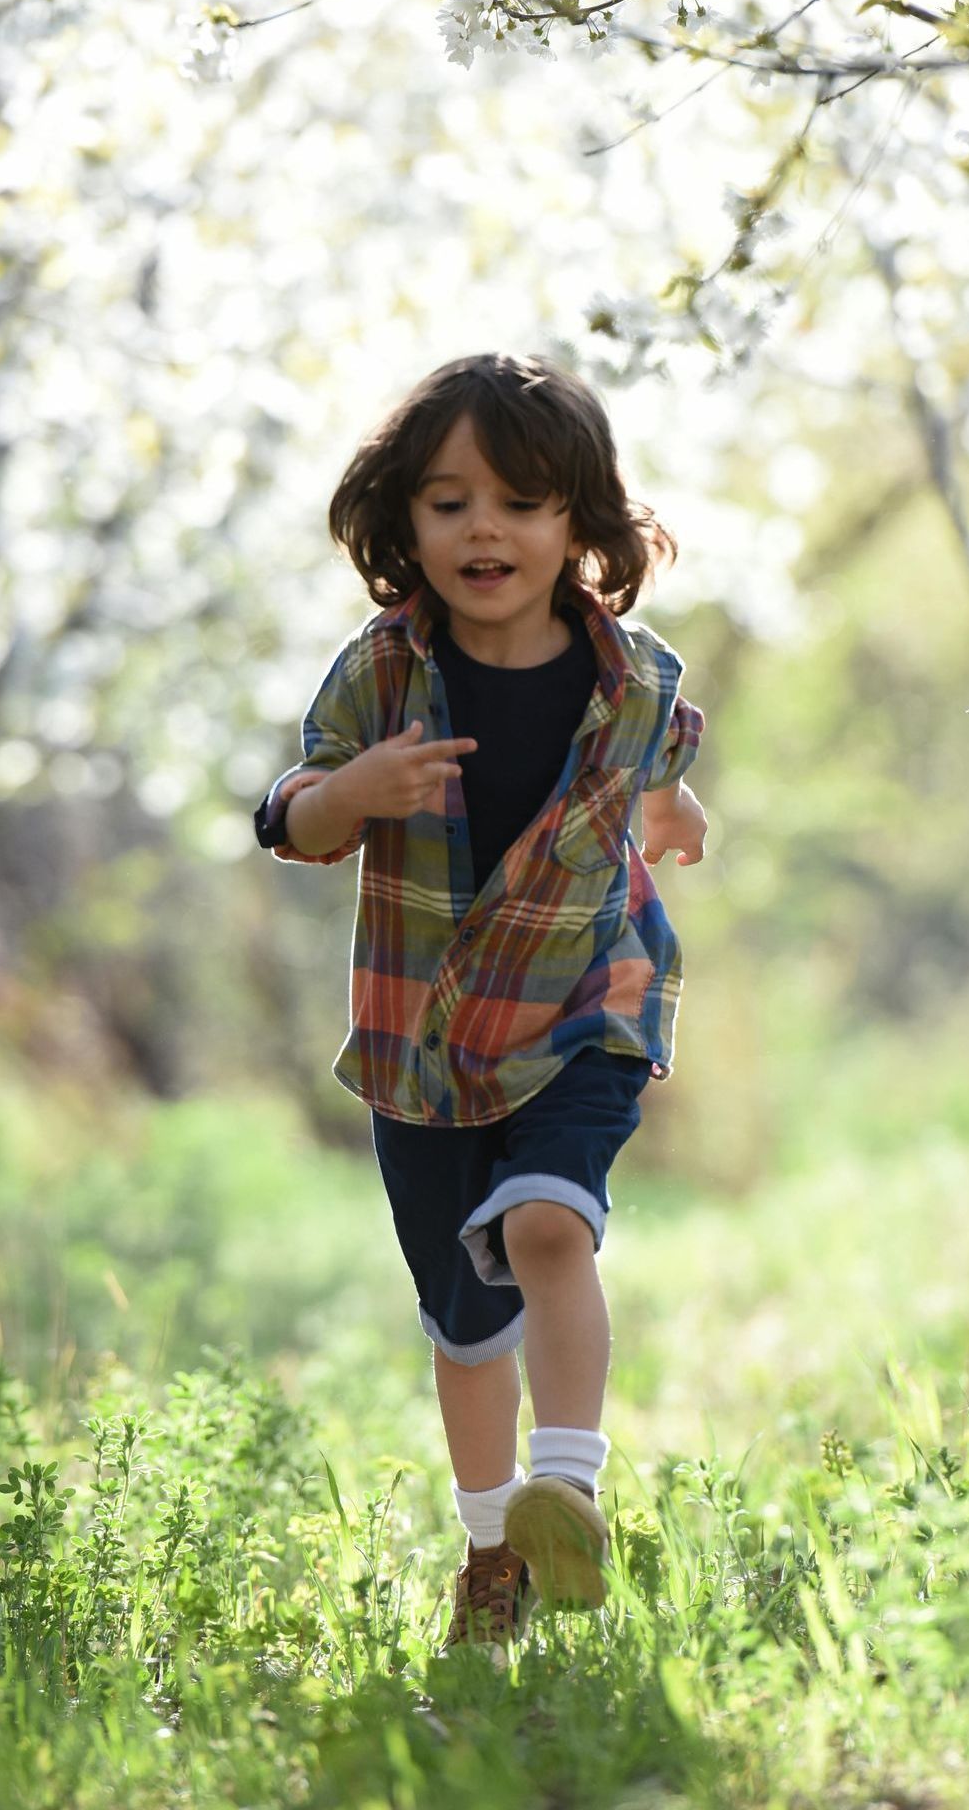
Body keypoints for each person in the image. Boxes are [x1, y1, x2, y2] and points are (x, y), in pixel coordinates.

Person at [252, 352, 707, 1664]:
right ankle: (492, 1544)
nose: (483, 530)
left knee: (553, 1227)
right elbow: (290, 812)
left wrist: (677, 815)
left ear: (581, 527)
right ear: (404, 527)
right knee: (466, 1319)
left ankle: (568, 1486)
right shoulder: (383, 679)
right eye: (448, 504)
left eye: (519, 501)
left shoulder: (636, 677)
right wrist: (354, 797)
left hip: (585, 1005)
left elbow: (661, 767)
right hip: (428, 1046)